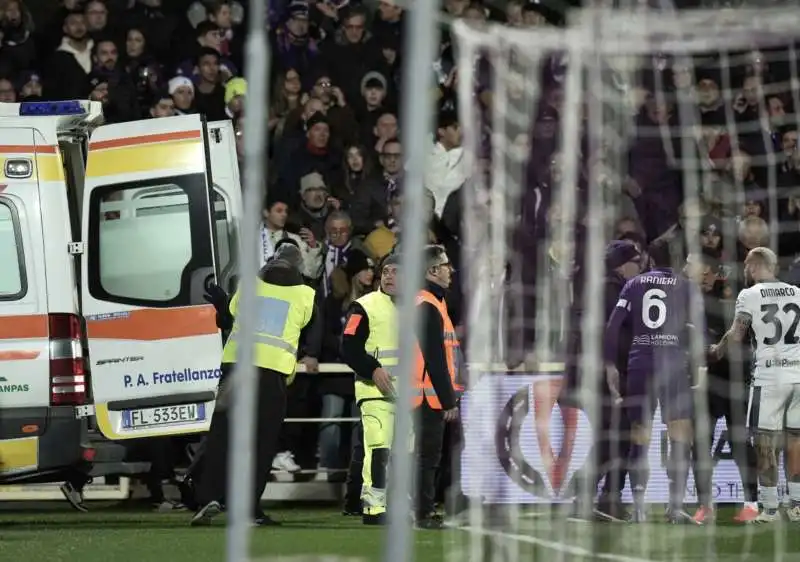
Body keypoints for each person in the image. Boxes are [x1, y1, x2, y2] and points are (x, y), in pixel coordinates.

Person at [190, 241, 321, 526]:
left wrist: (221, 301)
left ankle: (209, 496)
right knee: (261, 443)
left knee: (223, 436)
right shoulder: (305, 295)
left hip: (236, 371)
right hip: (272, 375)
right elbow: (312, 331)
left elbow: (228, 319)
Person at [604, 241, 705, 524]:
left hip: (640, 365)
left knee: (640, 435)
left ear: (649, 259)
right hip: (672, 365)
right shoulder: (686, 286)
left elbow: (613, 327)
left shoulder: (633, 284)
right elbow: (699, 332)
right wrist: (699, 367)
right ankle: (675, 508)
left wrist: (610, 364)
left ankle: (638, 508)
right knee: (680, 434)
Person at [710, 247, 800, 524]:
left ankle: (771, 509)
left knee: (765, 444)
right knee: (796, 442)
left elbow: (737, 334)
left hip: (769, 377)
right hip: (798, 376)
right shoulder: (798, 292)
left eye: (748, 266)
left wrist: (716, 351)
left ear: (754, 266)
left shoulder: (749, 294)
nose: (746, 272)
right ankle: (797, 506)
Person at [685, 249, 759, 525]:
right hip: (704, 380)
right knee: (700, 443)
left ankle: (751, 503)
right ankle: (705, 505)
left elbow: (737, 337)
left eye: (694, 266)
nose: (690, 270)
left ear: (711, 270)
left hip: (734, 378)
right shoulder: (688, 296)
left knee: (741, 443)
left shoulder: (737, 295)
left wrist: (712, 349)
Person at [569, 240, 642, 522]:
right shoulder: (615, 289)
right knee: (617, 438)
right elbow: (613, 335)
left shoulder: (598, 287)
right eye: (637, 262)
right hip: (609, 376)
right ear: (624, 264)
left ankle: (596, 498)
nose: (641, 267)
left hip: (596, 375)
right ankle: (600, 497)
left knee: (612, 438)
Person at [340, 253, 400, 526]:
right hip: (374, 391)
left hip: (409, 394)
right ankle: (374, 509)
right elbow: (348, 348)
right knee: (379, 448)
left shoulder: (420, 305)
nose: (389, 276)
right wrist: (373, 368)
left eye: (396, 271)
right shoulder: (363, 306)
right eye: (386, 271)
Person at [411, 245, 462, 530]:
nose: (450, 271)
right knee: (427, 458)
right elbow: (435, 358)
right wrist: (447, 400)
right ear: (432, 271)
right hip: (426, 397)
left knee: (428, 457)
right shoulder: (428, 305)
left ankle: (423, 510)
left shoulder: (432, 302)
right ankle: (422, 513)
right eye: (445, 265)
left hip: (424, 394)